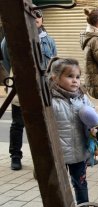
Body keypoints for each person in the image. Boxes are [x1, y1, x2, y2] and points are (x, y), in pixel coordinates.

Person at [47, 57, 98, 207]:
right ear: (55, 77)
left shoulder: (82, 98)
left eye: (77, 77)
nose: (75, 81)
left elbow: (94, 121)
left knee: (80, 183)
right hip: (58, 154)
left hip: (79, 152)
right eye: (70, 76)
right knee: (58, 185)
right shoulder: (50, 101)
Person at [1, 8, 57, 171]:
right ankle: (15, 156)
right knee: (18, 124)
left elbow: (53, 62)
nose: (36, 19)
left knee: (44, 125)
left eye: (39, 16)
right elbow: (6, 59)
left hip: (43, 88)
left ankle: (42, 159)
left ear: (42, 20)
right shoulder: (13, 38)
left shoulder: (49, 40)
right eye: (33, 16)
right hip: (21, 87)